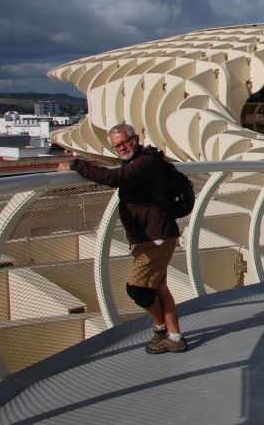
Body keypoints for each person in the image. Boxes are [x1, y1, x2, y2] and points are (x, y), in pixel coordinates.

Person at [58, 123, 187, 354]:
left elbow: (114, 177)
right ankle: (175, 336)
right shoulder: (142, 161)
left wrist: (76, 164)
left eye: (125, 142)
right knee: (159, 287)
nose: (123, 147)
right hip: (154, 234)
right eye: (117, 145)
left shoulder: (146, 163)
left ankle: (160, 329)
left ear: (136, 138)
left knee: (136, 289)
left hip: (155, 237)